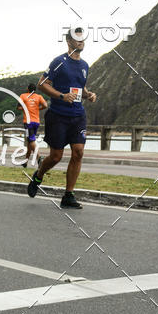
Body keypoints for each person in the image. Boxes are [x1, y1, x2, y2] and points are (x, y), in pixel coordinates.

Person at [27, 28, 96, 209]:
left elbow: (80, 87)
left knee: (78, 152)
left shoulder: (85, 65)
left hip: (78, 115)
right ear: (68, 41)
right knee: (56, 156)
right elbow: (42, 84)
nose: (80, 41)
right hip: (58, 115)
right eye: (76, 39)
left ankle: (68, 195)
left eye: (82, 39)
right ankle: (38, 175)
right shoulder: (59, 62)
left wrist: (88, 95)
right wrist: (61, 96)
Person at [18, 83, 48, 167]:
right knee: (30, 142)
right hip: (36, 122)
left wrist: (26, 108)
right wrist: (38, 108)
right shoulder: (39, 97)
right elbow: (45, 105)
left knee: (31, 141)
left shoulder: (23, 96)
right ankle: (25, 162)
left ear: (28, 89)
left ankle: (39, 158)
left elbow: (18, 107)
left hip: (28, 122)